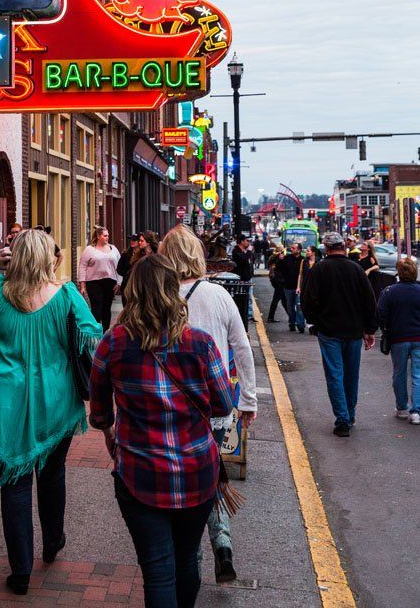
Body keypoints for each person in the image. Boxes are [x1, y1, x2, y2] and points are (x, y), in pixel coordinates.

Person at [0, 229, 101, 595]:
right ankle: (53, 540)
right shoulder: (67, 294)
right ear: (48, 259)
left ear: (15, 258)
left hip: (7, 401)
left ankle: (20, 570)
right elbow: (92, 333)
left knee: (14, 482)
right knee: (53, 474)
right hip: (56, 398)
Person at [89, 254, 234, 608]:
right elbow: (224, 404)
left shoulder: (114, 342)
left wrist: (110, 430)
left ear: (132, 293)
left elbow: (98, 410)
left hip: (139, 473)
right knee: (186, 559)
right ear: (174, 292)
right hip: (197, 472)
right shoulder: (199, 343)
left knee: (157, 570)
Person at [160, 226, 256, 585]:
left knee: (179, 480)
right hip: (213, 405)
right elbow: (241, 347)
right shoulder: (217, 294)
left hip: (167, 403)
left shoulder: (161, 294)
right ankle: (222, 542)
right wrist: (247, 398)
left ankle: (191, 555)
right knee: (209, 474)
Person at [301, 231, 377, 437]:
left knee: (335, 375)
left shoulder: (319, 269)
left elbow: (308, 301)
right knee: (351, 375)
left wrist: (315, 322)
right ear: (343, 247)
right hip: (353, 331)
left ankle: (342, 419)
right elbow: (369, 302)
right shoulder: (356, 269)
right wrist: (369, 330)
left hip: (329, 330)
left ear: (326, 248)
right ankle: (349, 414)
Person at [377, 257, 420, 424]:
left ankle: (402, 408)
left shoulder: (389, 292)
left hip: (398, 338)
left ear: (399, 273)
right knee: (417, 374)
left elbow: (381, 315)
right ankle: (416, 412)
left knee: (399, 373)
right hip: (419, 337)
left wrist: (386, 329)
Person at [77, 226, 121, 331]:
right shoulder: (90, 250)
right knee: (97, 308)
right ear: (98, 236)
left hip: (110, 282)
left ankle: (105, 331)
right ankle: (96, 331)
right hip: (94, 282)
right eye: (105, 236)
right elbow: (82, 266)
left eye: (108, 236)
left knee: (107, 308)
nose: (107, 238)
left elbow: (119, 266)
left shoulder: (113, 249)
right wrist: (82, 284)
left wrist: (119, 282)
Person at [277, 242, 306, 332]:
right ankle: (292, 323)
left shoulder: (303, 260)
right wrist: (280, 260)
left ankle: (300, 325)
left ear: (299, 250)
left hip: (299, 288)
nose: (291, 249)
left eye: (293, 248)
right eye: (291, 248)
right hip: (288, 287)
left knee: (299, 307)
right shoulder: (287, 258)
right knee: (290, 306)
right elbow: (278, 269)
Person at [266, 243, 288, 323]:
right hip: (279, 280)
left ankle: (292, 317)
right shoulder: (279, 257)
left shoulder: (273, 256)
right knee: (276, 299)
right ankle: (270, 317)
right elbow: (280, 268)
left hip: (275, 280)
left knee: (284, 300)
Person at [116, 233, 140, 298]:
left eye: (134, 240)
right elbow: (119, 269)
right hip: (126, 284)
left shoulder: (143, 255)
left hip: (139, 284)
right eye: (131, 240)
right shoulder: (125, 254)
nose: (132, 242)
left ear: (139, 242)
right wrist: (128, 274)